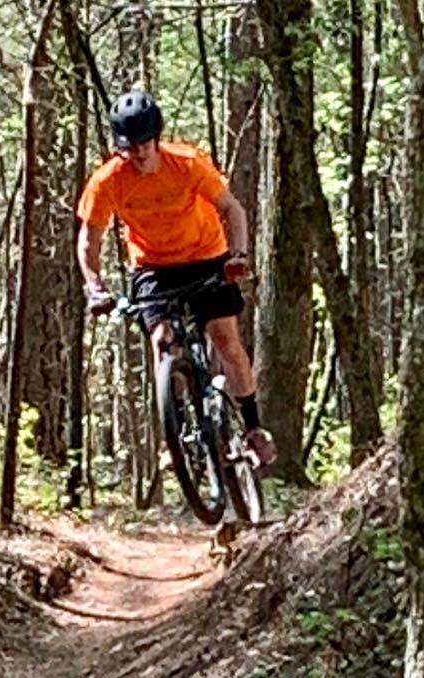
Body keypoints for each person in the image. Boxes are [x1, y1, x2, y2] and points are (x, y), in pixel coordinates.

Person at [76, 89, 276, 467]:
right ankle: (177, 430)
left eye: (144, 144)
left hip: (206, 255)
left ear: (156, 139)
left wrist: (238, 256)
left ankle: (253, 428)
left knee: (223, 335)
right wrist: (95, 286)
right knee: (162, 340)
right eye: (129, 147)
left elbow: (232, 209)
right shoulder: (108, 181)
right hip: (153, 266)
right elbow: (89, 238)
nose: (138, 154)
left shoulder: (186, 163)